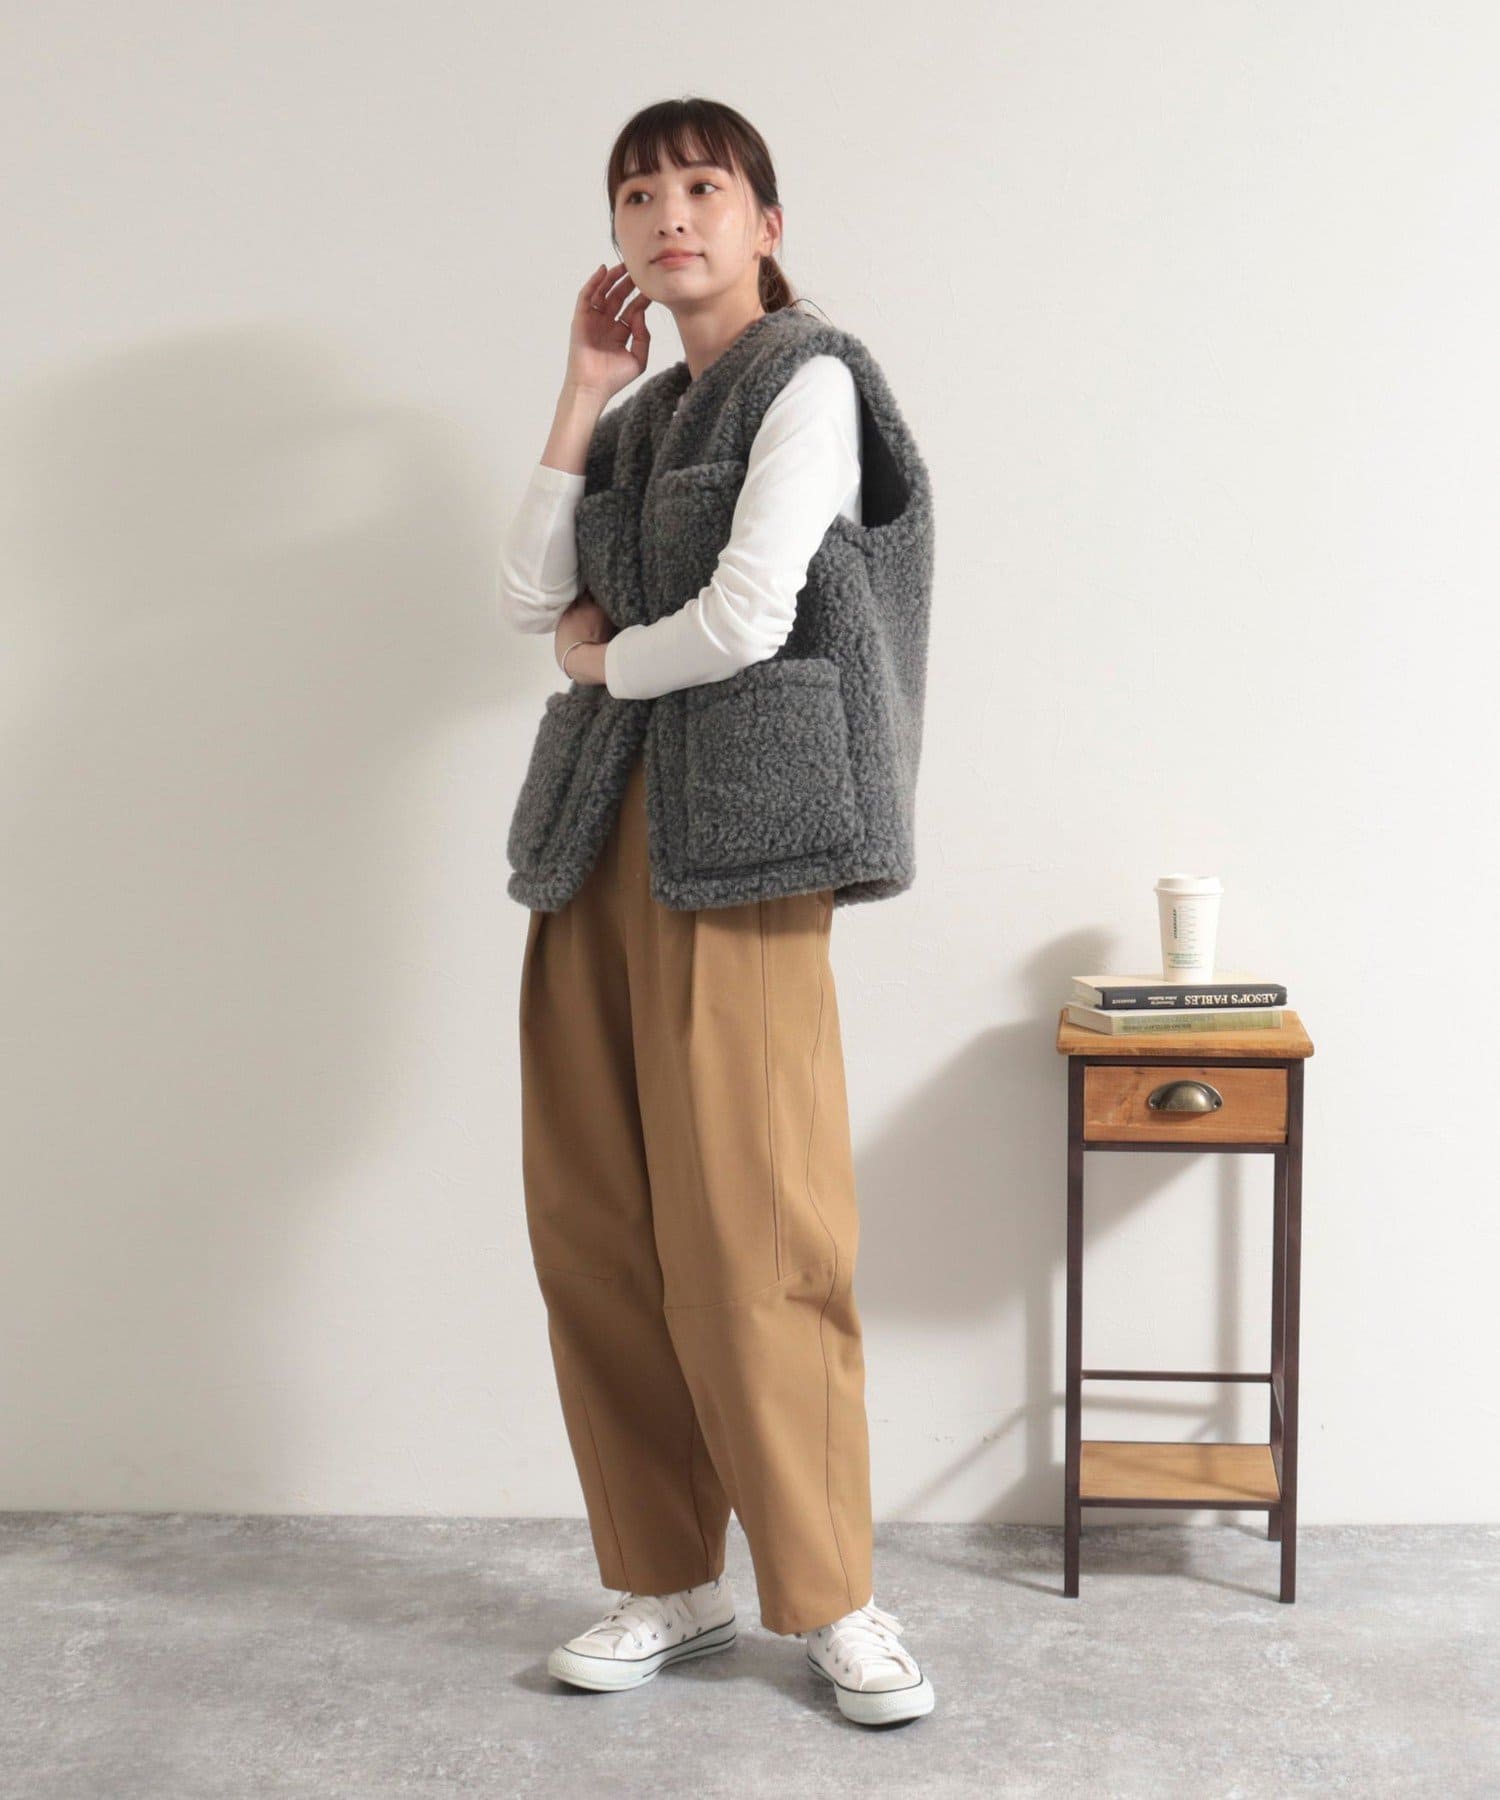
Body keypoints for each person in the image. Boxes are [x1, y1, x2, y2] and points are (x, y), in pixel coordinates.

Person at [497, 97, 935, 1728]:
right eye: (637, 193)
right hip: (596, 841)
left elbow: (751, 612)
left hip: (744, 841)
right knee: (597, 1230)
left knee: (757, 1232)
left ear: (764, 219)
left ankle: (836, 1599)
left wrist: (605, 657)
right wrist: (579, 392)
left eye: (700, 185)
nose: (667, 214)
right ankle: (668, 1584)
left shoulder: (810, 377)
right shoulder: (634, 418)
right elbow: (525, 593)